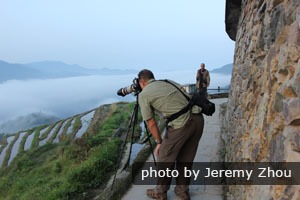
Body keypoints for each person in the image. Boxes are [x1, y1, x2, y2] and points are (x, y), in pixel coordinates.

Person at [137, 69, 204, 200]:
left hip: (182, 124)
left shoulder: (144, 94)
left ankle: (160, 192)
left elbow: (151, 123)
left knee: (164, 157)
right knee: (186, 158)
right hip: (198, 119)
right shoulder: (168, 81)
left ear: (142, 82)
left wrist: (159, 141)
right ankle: (182, 191)